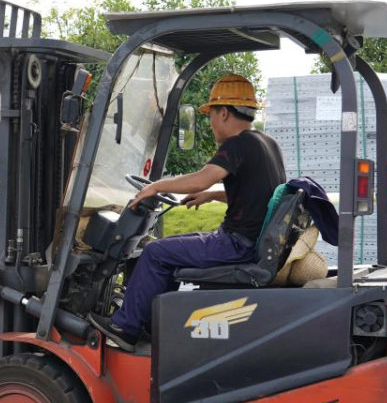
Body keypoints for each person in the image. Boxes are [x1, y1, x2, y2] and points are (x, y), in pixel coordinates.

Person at [89, 74, 286, 351]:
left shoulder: (237, 144)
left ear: (224, 112)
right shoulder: (267, 143)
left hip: (236, 245)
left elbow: (201, 178)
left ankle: (125, 328)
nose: (210, 122)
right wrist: (213, 195)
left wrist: (155, 186)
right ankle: (153, 325)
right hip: (248, 242)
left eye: (211, 115)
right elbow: (261, 192)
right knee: (166, 250)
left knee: (154, 252)